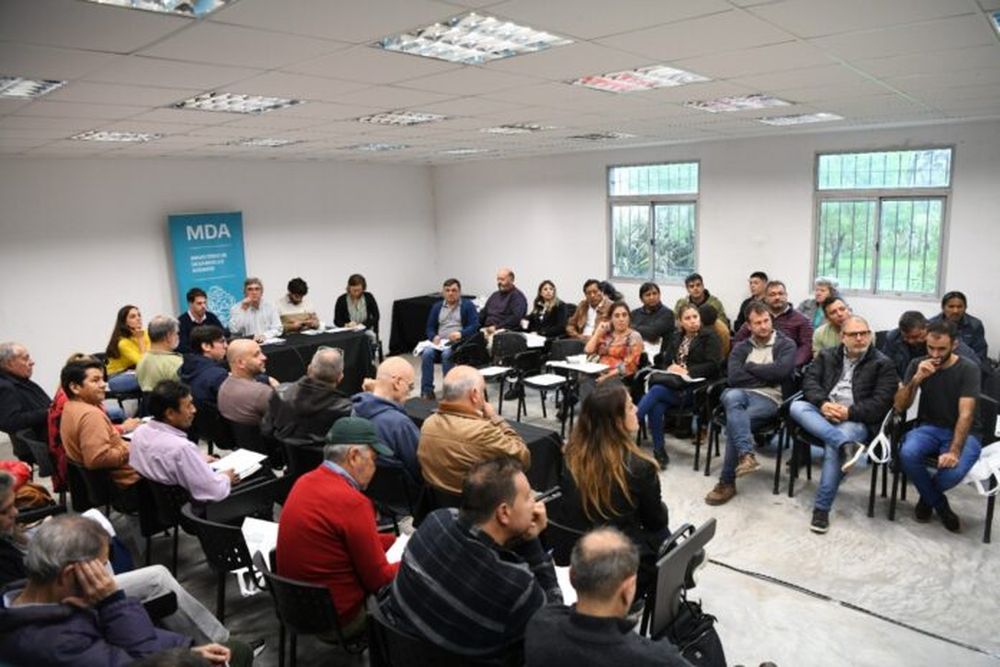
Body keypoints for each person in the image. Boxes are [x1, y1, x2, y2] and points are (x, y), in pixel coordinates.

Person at [0, 472, 238, 648]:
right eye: (5, 510)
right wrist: (110, 601)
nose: (16, 513)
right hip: (56, 596)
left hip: (49, 585)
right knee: (156, 578)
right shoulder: (59, 641)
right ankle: (219, 644)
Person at [0, 514, 248, 666]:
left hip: (150, 653)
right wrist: (113, 602)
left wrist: (185, 649)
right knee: (239, 653)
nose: (107, 576)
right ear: (69, 575)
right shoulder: (57, 644)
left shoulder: (31, 600)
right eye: (101, 567)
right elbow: (140, 661)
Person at [383, 456, 562, 660]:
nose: (535, 503)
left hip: (404, 655)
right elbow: (555, 630)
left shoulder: (435, 521)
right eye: (529, 496)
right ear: (504, 513)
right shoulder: (516, 586)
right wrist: (533, 545)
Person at [277, 417, 398, 640]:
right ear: (353, 456)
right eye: (373, 459)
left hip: (298, 610)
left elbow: (345, 541)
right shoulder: (352, 502)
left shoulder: (305, 481)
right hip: (342, 619)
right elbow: (378, 580)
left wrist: (393, 541)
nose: (375, 467)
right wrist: (413, 558)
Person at [550, 383, 669, 597]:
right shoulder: (641, 467)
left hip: (579, 557)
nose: (637, 411)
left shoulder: (570, 455)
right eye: (631, 407)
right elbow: (655, 522)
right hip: (620, 564)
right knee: (663, 524)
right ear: (617, 421)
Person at [788, 316, 898, 533]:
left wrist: (850, 412)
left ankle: (821, 509)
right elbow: (809, 382)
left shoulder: (883, 363)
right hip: (825, 412)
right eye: (853, 334)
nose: (860, 338)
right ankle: (846, 446)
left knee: (832, 448)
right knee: (796, 407)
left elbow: (881, 403)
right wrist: (822, 403)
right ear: (842, 337)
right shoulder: (828, 355)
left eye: (864, 333)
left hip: (856, 419)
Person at [525, 528, 690, 667]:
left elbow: (552, 600)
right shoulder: (660, 660)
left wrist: (531, 541)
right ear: (628, 588)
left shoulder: (540, 626)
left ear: (571, 576)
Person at [894, 320, 982, 533]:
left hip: (965, 431)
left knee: (953, 472)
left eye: (941, 349)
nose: (935, 353)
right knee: (907, 454)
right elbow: (899, 405)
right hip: (929, 426)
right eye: (930, 348)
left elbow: (966, 414)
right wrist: (916, 379)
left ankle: (927, 499)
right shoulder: (918, 364)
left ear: (955, 344)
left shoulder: (968, 368)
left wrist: (954, 450)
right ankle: (940, 505)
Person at [705, 303, 796, 506]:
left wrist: (752, 367)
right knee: (731, 395)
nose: (763, 326)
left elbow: (781, 372)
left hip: (770, 399)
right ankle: (746, 455)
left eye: (766, 321)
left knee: (734, 422)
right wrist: (768, 375)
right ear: (749, 325)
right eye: (758, 323)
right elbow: (735, 378)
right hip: (740, 395)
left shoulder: (786, 344)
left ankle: (727, 482)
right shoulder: (741, 347)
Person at [418, 365, 529, 495]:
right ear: (475, 394)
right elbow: (523, 458)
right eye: (483, 392)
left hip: (440, 506)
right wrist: (495, 418)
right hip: (479, 510)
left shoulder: (428, 424)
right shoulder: (483, 431)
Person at [637, 304, 723, 468]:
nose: (692, 322)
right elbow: (665, 360)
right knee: (657, 403)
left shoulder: (710, 336)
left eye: (695, 317)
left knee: (655, 394)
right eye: (687, 318)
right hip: (673, 385)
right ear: (680, 322)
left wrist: (687, 370)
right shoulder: (676, 337)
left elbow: (714, 365)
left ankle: (627, 429)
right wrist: (670, 367)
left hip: (696, 389)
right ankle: (659, 450)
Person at [129, 380, 237, 503]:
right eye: (188, 405)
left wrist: (196, 459)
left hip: (158, 506)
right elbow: (215, 492)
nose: (194, 410)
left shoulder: (140, 432)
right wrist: (226, 478)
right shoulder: (182, 448)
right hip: (193, 510)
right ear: (170, 413)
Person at [59, 359, 139, 493]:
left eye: (102, 379)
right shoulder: (91, 415)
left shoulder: (70, 406)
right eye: (95, 381)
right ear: (75, 387)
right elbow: (97, 459)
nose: (103, 385)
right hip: (129, 483)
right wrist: (131, 448)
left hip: (109, 481)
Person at [351, 356, 422, 483]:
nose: (410, 393)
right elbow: (420, 469)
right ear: (398, 383)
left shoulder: (353, 411)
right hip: (403, 498)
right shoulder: (400, 424)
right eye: (410, 386)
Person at [262, 347, 351, 442]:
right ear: (340, 377)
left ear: (309, 369)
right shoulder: (346, 409)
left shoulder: (280, 393)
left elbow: (266, 431)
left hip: (284, 456)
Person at [420, 278, 479, 400]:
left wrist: (461, 333)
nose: (450, 293)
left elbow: (474, 326)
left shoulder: (467, 305)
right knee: (426, 353)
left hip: (458, 342)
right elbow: (429, 327)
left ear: (459, 292)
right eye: (447, 290)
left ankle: (449, 391)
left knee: (447, 354)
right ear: (443, 292)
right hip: (440, 342)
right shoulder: (437, 307)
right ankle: (427, 391)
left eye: (454, 290)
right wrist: (433, 336)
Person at [879, 310, 983, 379]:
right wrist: (898, 383)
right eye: (906, 337)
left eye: (915, 337)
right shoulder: (893, 337)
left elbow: (974, 364)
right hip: (906, 383)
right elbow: (886, 367)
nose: (910, 341)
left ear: (926, 327)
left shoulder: (941, 336)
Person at [734, 280, 813, 367]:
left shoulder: (802, 320)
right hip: (755, 364)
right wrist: (747, 359)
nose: (777, 297)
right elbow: (738, 340)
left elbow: (807, 347)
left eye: (780, 293)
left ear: (786, 295)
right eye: (772, 294)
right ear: (765, 298)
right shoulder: (757, 318)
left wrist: (790, 364)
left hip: (787, 367)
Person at [0, 342, 50, 459]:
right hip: (40, 443)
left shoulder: (17, 379)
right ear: (9, 363)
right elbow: (10, 422)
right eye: (25, 358)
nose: (32, 362)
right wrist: (48, 412)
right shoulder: (5, 387)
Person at [582, 301, 644, 391]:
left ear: (629, 318)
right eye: (617, 316)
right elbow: (588, 350)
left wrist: (607, 377)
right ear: (610, 319)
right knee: (584, 378)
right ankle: (588, 405)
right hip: (599, 371)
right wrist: (597, 333)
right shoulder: (606, 334)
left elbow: (629, 366)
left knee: (600, 385)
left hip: (620, 376)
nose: (621, 319)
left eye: (624, 315)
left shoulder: (634, 336)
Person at [216, 339, 276, 426]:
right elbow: (287, 420)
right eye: (256, 355)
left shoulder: (223, 387)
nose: (264, 357)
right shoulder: (261, 393)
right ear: (240, 363)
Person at [930, 291, 988, 362]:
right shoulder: (932, 324)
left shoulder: (975, 324)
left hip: (967, 365)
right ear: (943, 307)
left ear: (965, 307)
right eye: (951, 307)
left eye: (959, 307)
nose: (955, 311)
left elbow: (980, 353)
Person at [178, 325, 229, 408]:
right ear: (206, 346)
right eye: (222, 341)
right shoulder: (218, 375)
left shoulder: (184, 368)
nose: (226, 346)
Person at [104, 304, 149, 394]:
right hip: (118, 377)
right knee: (151, 377)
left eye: (139, 315)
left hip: (135, 371)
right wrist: (140, 339)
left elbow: (152, 356)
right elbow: (145, 363)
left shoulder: (146, 333)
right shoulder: (122, 343)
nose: (138, 318)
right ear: (124, 322)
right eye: (133, 317)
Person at [333, 273, 381, 352]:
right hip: (348, 331)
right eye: (354, 290)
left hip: (365, 330)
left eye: (359, 290)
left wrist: (362, 325)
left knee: (368, 338)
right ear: (349, 288)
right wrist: (346, 325)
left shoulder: (368, 297)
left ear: (363, 288)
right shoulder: (341, 300)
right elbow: (336, 320)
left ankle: (368, 361)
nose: (356, 293)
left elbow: (376, 316)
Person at [136, 316, 183, 392]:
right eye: (176, 333)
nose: (178, 336)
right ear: (168, 336)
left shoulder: (141, 360)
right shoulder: (177, 363)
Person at [228, 277, 282, 342]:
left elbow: (278, 328)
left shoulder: (271, 306)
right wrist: (243, 310)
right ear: (244, 292)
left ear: (262, 292)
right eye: (250, 289)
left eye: (257, 289)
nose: (254, 292)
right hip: (247, 345)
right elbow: (234, 330)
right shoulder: (236, 308)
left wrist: (265, 335)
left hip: (267, 342)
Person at [480, 266, 528, 334]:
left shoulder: (517, 297)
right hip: (486, 329)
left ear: (511, 280)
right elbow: (483, 313)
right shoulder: (494, 295)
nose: (499, 282)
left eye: (502, 279)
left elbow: (515, 318)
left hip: (503, 331)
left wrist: (496, 327)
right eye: (498, 279)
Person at [177, 288, 223, 354]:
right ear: (190, 304)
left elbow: (222, 334)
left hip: (213, 355)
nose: (203, 306)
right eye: (199, 303)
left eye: (205, 303)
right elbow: (182, 347)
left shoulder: (211, 317)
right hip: (193, 358)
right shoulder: (181, 322)